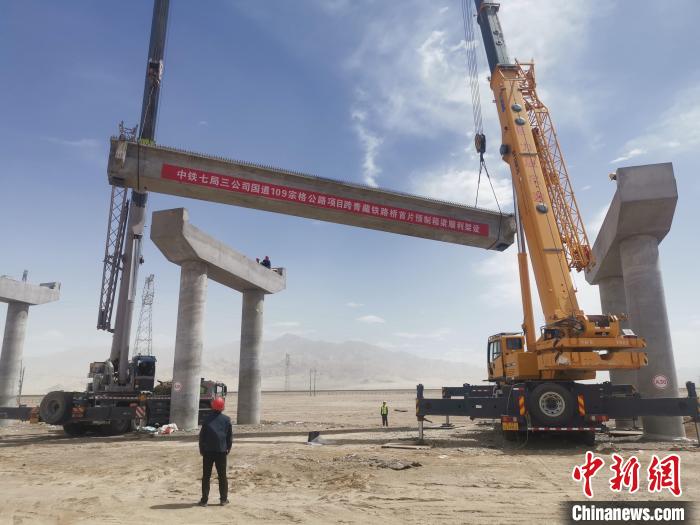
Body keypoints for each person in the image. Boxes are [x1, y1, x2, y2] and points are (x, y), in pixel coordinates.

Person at [198, 397, 233, 507]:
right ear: (222, 407)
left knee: (206, 476)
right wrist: (228, 448)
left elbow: (202, 437)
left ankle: (204, 500)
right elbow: (229, 437)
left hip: (208, 451)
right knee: (222, 476)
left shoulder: (207, 419)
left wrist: (202, 450)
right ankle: (223, 500)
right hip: (221, 451)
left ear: (212, 406)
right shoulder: (226, 420)